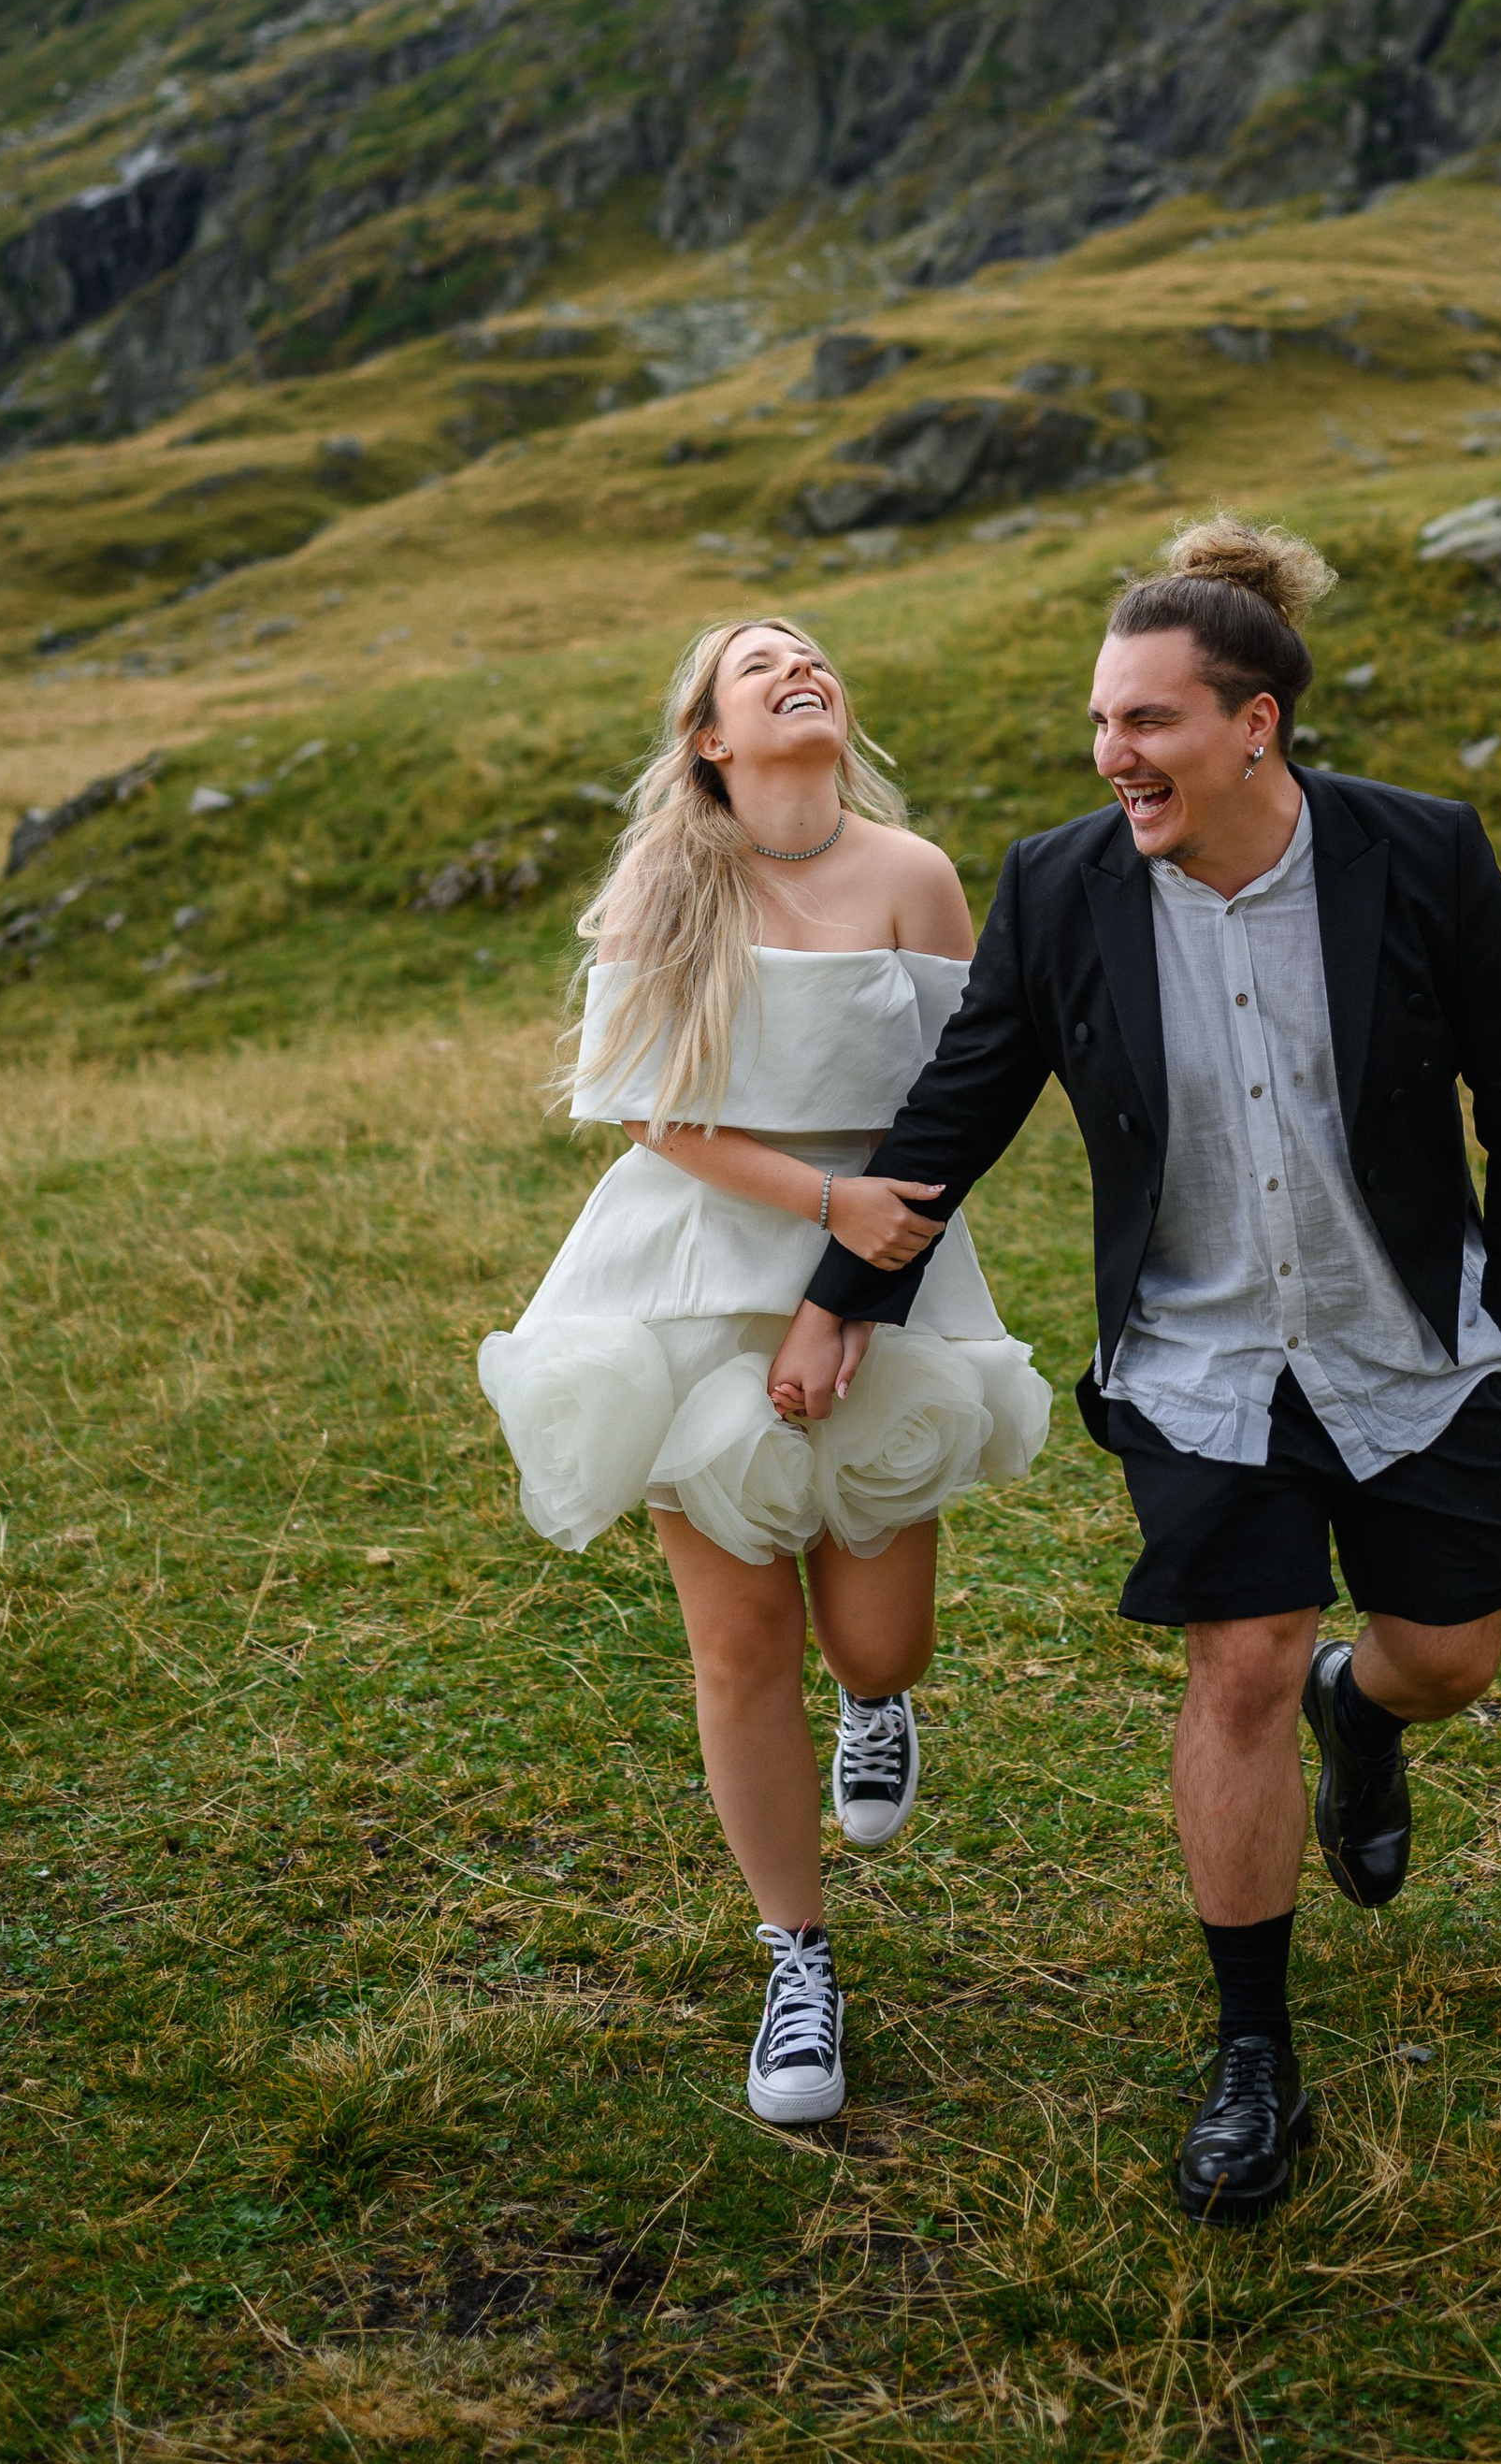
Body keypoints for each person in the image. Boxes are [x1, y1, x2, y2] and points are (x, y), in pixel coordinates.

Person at [771, 515, 1501, 2223]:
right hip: (1198, 1356)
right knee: (1243, 1662)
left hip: (1408, 1338)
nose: (1112, 754)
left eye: (1147, 720)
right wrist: (844, 1294)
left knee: (1451, 1654)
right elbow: (963, 1105)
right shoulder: (1064, 885)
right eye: (1100, 722)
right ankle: (1253, 2055)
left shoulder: (1418, 854)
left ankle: (1370, 1708)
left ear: (1252, 726)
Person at [478, 616, 1050, 2126]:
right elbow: (642, 1105)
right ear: (712, 739)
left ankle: (878, 1704)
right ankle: (797, 1959)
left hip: (887, 1260)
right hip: (689, 1266)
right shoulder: (666, 880)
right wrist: (821, 1205)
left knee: (879, 1642)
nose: (800, 667)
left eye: (812, 653)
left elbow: (963, 1096)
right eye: (758, 663)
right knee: (739, 1645)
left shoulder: (913, 875)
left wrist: (854, 1286)